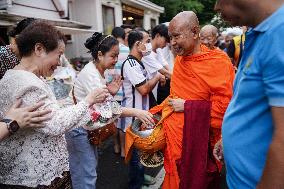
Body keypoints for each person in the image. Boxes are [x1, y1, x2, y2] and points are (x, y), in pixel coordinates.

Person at [0, 21, 109, 188]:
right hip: (35, 177)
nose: (59, 62)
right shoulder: (27, 83)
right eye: (58, 55)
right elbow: (54, 124)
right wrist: (88, 101)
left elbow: (48, 114)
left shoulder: (24, 77)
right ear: (39, 49)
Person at [148, 11, 235, 189]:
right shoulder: (180, 61)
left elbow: (224, 108)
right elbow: (174, 98)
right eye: (170, 37)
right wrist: (154, 115)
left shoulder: (218, 62)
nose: (172, 43)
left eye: (176, 36)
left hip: (200, 143)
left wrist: (188, 106)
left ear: (195, 33)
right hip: (175, 140)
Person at [65, 32, 154, 189]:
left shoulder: (96, 71)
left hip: (82, 127)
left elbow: (99, 102)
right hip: (78, 129)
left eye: (117, 55)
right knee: (87, 174)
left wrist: (110, 92)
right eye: (113, 56)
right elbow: (108, 108)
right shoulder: (92, 74)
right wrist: (136, 112)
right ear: (100, 54)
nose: (116, 60)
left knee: (88, 170)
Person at [214, 1, 284, 188]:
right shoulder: (258, 33)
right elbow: (250, 104)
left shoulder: (280, 33)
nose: (216, 8)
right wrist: (227, 139)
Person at [120, 30, 164, 189]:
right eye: (147, 40)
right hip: (133, 117)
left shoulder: (139, 61)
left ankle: (141, 177)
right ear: (138, 45)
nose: (149, 44)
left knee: (142, 151)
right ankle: (136, 185)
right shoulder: (131, 64)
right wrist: (158, 77)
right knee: (136, 156)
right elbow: (144, 89)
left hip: (141, 116)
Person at [110, 26, 130, 156]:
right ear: (124, 36)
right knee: (122, 123)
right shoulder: (128, 51)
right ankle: (123, 149)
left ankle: (116, 146)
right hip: (124, 92)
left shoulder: (109, 51)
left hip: (111, 91)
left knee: (113, 121)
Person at [141, 24, 171, 102]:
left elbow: (166, 66)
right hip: (146, 88)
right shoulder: (147, 51)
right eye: (166, 40)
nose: (167, 43)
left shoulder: (158, 50)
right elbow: (163, 71)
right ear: (157, 36)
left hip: (154, 88)